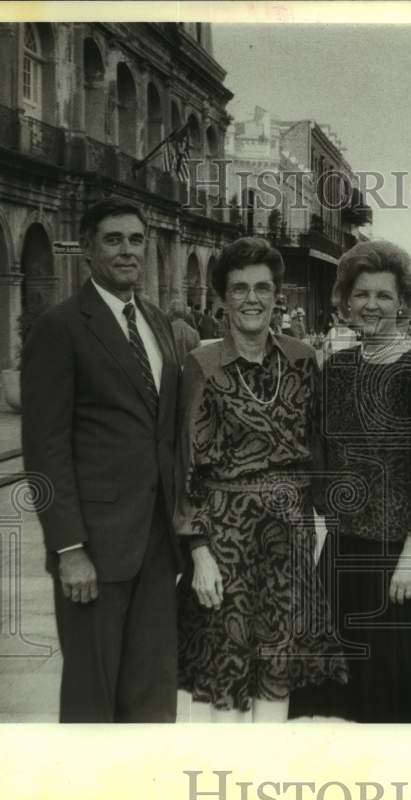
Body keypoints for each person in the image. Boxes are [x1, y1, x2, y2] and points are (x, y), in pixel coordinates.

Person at [21, 198, 182, 722]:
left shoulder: (156, 322)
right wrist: (69, 548)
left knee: (152, 693)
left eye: (136, 240)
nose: (127, 251)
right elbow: (45, 449)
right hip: (95, 548)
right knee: (93, 696)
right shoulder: (60, 327)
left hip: (158, 546)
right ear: (88, 249)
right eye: (113, 240)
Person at [174, 237, 347, 722]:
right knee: (226, 663)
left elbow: (317, 446)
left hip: (289, 535)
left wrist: (328, 521)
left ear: (277, 296)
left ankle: (267, 779)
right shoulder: (201, 366)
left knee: (279, 658)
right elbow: (186, 463)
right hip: (225, 536)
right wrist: (198, 550)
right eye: (240, 288)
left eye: (263, 288)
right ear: (223, 298)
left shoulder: (301, 359)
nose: (252, 298)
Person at [290, 240, 411, 723]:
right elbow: (315, 445)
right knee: (335, 701)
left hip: (398, 558)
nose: (372, 306)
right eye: (361, 295)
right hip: (343, 552)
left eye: (384, 296)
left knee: (396, 693)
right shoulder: (336, 368)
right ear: (346, 301)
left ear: (404, 303)